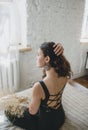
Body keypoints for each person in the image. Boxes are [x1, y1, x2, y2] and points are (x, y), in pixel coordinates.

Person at [5, 42, 71, 130]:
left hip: (45, 125)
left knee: (8, 111)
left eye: (38, 55)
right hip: (59, 117)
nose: (36, 58)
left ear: (47, 59)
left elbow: (32, 112)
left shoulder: (39, 86)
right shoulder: (65, 75)